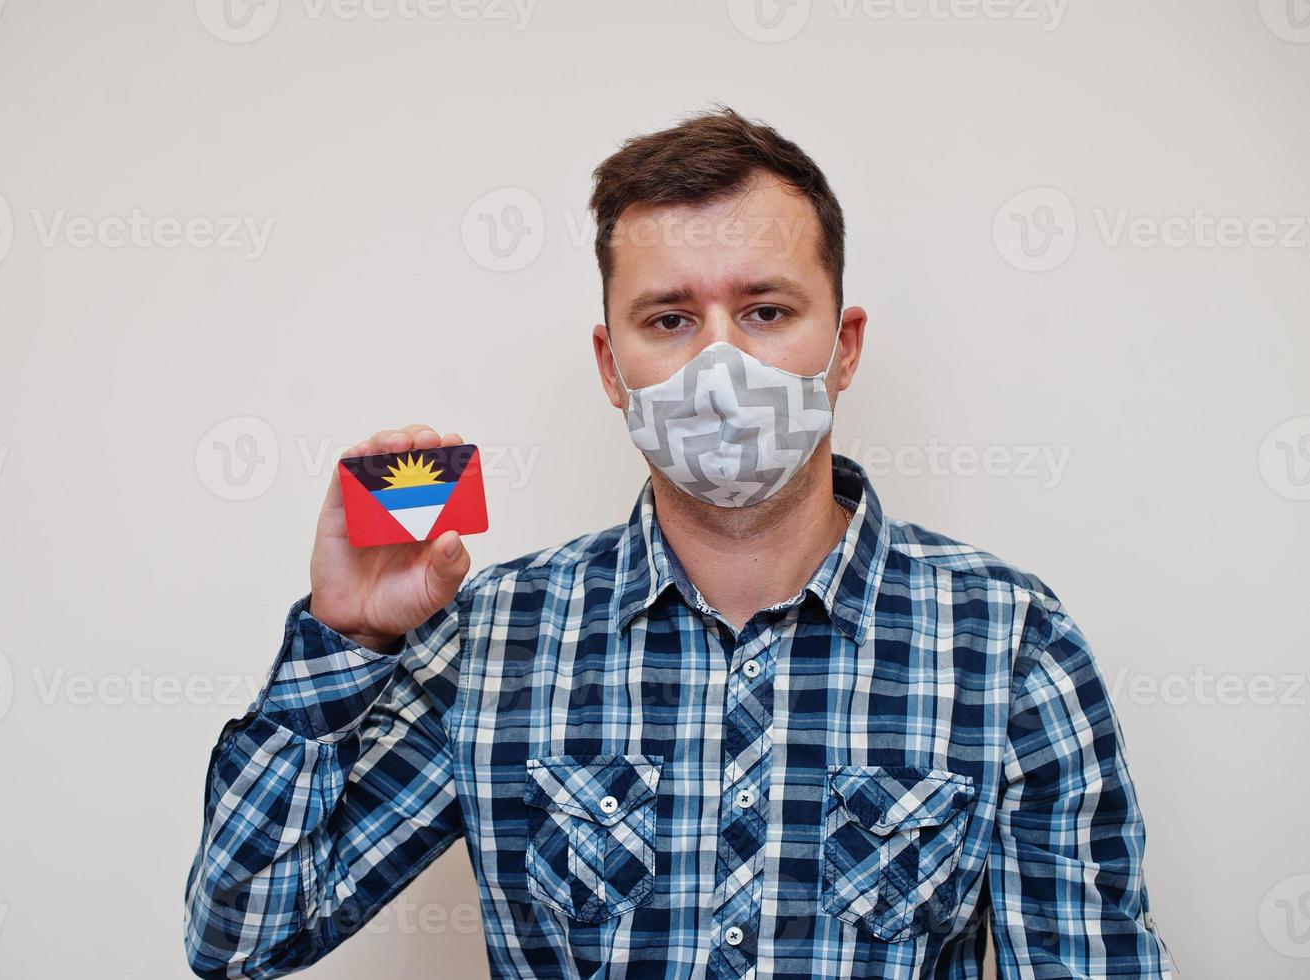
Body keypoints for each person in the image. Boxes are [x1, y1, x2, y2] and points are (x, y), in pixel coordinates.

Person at [184, 106, 1175, 979]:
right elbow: (244, 936)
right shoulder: (493, 639)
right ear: (613, 366)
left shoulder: (1008, 639)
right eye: (671, 318)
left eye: (766, 310)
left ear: (846, 345)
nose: (720, 364)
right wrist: (343, 642)